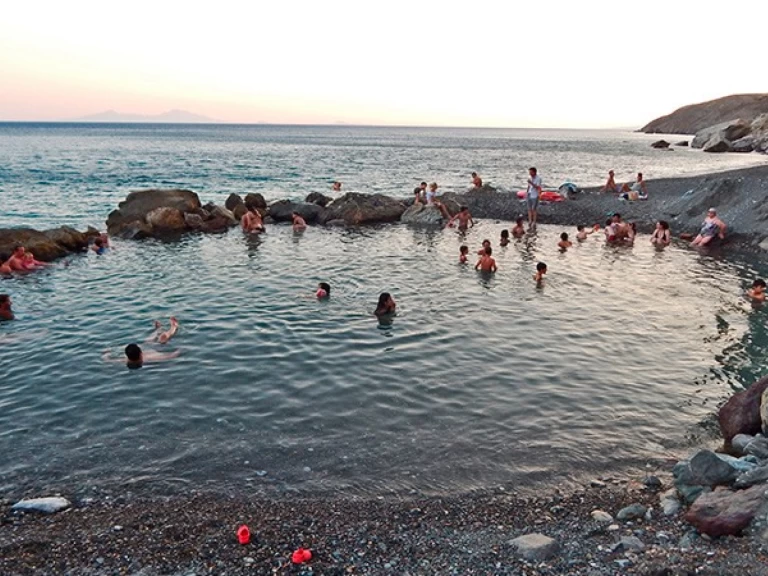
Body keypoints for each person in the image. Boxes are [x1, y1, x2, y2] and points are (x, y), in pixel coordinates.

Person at [103, 343, 180, 369]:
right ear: (141, 353)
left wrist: (106, 352)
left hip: (150, 350)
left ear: (126, 355)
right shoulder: (152, 358)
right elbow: (172, 356)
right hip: (154, 350)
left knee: (148, 343)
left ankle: (158, 330)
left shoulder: (124, 361)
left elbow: (106, 359)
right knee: (149, 343)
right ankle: (158, 331)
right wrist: (181, 349)